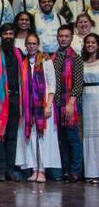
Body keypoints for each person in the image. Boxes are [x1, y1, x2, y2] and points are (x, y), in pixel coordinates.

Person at [15, 33, 60, 182]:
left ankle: (42, 170)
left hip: (43, 106)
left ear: (38, 45)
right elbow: (22, 87)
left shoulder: (46, 61)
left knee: (43, 139)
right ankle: (34, 169)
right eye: (29, 43)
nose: (32, 46)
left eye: (35, 44)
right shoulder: (23, 63)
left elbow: (52, 85)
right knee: (31, 138)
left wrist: (48, 105)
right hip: (29, 107)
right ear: (26, 45)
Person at [0, 23, 24, 182]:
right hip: (0, 100)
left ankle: (10, 170)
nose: (8, 36)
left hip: (16, 98)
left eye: (11, 33)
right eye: (5, 34)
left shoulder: (19, 53)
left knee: (12, 136)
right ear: (0, 35)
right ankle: (1, 171)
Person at [52, 24, 84, 183]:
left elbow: (78, 84)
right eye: (61, 36)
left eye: (66, 36)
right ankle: (65, 169)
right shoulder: (54, 57)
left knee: (73, 138)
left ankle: (75, 171)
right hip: (57, 103)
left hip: (71, 103)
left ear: (71, 38)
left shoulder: (76, 58)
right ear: (57, 37)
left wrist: (71, 103)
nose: (63, 38)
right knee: (62, 138)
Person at [82, 33, 99, 183]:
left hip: (98, 97)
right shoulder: (81, 63)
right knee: (89, 135)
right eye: (88, 42)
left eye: (93, 42)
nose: (90, 45)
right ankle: (91, 172)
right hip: (86, 97)